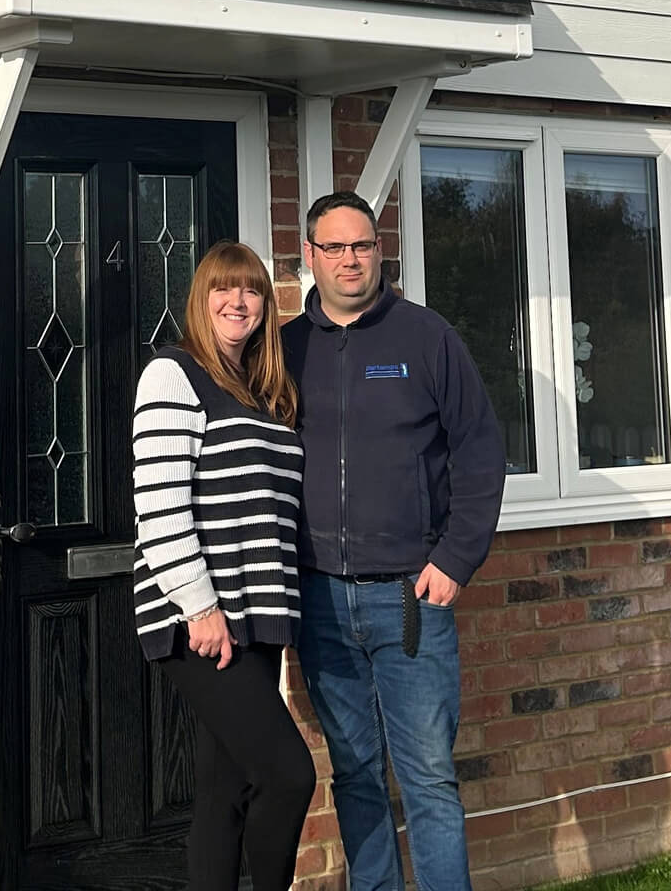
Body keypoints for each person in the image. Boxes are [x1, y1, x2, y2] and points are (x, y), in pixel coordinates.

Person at [282, 191, 506, 891]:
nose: (351, 259)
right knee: (354, 772)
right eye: (336, 247)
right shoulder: (285, 349)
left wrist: (455, 558)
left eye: (363, 245)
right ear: (310, 257)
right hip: (319, 599)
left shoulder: (425, 337)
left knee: (430, 778)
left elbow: (479, 451)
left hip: (411, 598)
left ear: (379, 252)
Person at [131, 239, 315, 891]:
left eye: (252, 290)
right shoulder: (173, 374)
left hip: (261, 616)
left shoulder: (266, 394)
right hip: (204, 619)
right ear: (201, 300)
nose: (239, 302)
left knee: (224, 789)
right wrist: (198, 605)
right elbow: (159, 506)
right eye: (224, 289)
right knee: (290, 775)